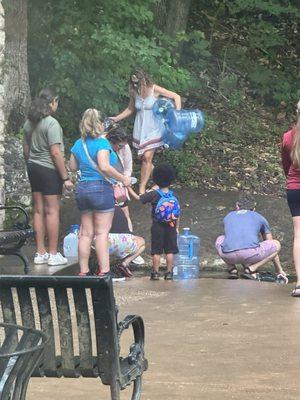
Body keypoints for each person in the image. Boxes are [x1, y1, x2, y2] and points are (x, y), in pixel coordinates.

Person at [69, 109, 131, 276]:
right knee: (102, 233)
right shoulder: (102, 143)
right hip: (101, 189)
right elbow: (104, 166)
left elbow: (72, 167)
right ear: (101, 124)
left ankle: (83, 271)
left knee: (85, 233)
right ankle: (104, 271)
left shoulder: (78, 143)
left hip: (83, 189)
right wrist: (123, 178)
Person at [22, 88, 73, 266]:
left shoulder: (29, 123)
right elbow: (55, 152)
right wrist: (65, 177)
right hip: (49, 170)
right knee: (52, 210)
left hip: (33, 168)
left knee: (38, 210)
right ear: (52, 102)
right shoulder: (51, 123)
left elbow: (25, 150)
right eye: (56, 102)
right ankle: (53, 254)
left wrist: (32, 163)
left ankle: (40, 252)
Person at [111, 70, 181, 194]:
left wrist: (177, 113)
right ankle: (160, 181)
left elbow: (176, 96)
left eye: (138, 82)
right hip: (140, 128)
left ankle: (142, 188)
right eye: (134, 83)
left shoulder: (154, 89)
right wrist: (116, 118)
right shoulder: (134, 93)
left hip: (154, 128)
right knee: (143, 158)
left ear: (143, 79)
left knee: (147, 157)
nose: (136, 85)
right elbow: (130, 109)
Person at [215, 193, 287, 282]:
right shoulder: (260, 217)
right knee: (276, 244)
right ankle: (251, 269)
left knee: (220, 238)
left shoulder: (228, 216)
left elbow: (233, 239)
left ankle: (232, 268)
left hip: (227, 256)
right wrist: (279, 269)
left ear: (237, 206)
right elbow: (270, 242)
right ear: (254, 209)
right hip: (250, 255)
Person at [106, 125, 145, 265]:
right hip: (105, 185)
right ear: (112, 141)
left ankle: (130, 246)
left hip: (120, 184)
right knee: (107, 216)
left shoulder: (125, 148)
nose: (121, 148)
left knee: (125, 214)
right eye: (119, 145)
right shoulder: (103, 147)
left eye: (123, 145)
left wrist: (124, 181)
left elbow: (128, 168)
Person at [139, 164, 179, 280]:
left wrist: (129, 188)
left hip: (157, 226)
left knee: (156, 251)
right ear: (171, 180)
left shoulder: (154, 194)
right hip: (171, 226)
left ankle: (155, 273)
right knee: (170, 251)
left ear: (155, 179)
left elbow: (140, 198)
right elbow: (177, 213)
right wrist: (177, 227)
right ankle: (169, 273)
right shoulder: (173, 195)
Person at [281, 100, 300, 296]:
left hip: (294, 190)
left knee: (298, 235)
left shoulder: (288, 137)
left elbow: (286, 166)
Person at [108, 206, 145, 278]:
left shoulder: (99, 209)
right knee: (142, 242)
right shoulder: (119, 209)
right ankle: (125, 263)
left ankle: (102, 269)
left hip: (105, 243)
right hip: (124, 243)